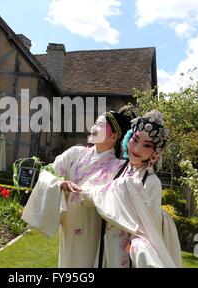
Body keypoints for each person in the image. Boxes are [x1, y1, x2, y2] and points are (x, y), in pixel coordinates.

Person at [22, 110, 135, 267]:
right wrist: (59, 183)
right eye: (95, 123)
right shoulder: (75, 153)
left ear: (114, 137)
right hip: (69, 227)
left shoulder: (120, 168)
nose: (93, 128)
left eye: (100, 125)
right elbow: (47, 173)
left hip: (94, 229)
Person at [80, 110, 182, 268]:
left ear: (155, 153)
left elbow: (149, 226)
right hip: (106, 239)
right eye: (135, 139)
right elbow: (96, 191)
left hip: (129, 247)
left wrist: (136, 246)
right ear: (128, 138)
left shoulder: (152, 182)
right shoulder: (117, 167)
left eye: (147, 145)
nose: (137, 148)